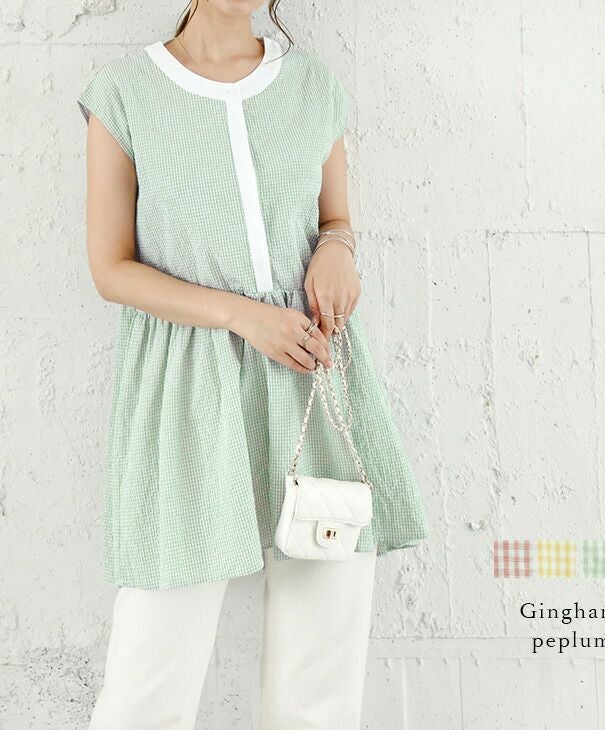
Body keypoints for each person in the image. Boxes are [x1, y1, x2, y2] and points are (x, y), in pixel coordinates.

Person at [76, 1, 430, 727]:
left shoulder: (311, 85)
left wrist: (338, 250)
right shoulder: (123, 93)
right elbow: (111, 269)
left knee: (319, 680)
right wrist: (243, 315)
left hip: (311, 374)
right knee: (150, 671)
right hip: (186, 388)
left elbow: (336, 219)